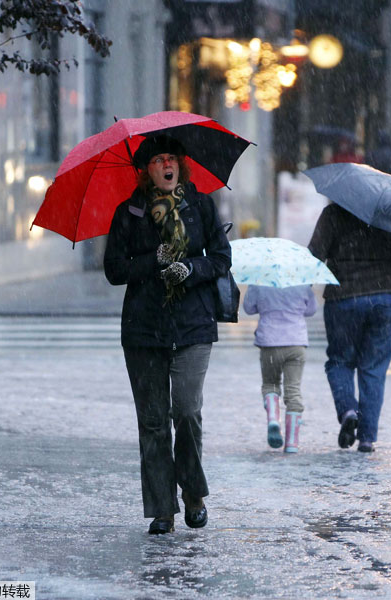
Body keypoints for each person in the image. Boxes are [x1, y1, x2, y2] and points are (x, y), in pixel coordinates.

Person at [103, 134, 232, 535]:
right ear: (146, 170)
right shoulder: (129, 212)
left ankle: (192, 492)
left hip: (193, 325)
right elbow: (114, 270)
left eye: (171, 158)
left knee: (187, 412)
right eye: (158, 160)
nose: (166, 165)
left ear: (180, 164)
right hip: (144, 329)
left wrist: (190, 269)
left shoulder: (201, 206)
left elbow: (222, 258)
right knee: (154, 422)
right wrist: (152, 261)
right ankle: (163, 509)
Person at [308, 203, 391, 453]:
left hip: (343, 297)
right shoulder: (390, 215)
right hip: (384, 297)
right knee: (373, 369)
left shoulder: (334, 213)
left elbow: (315, 255)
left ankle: (348, 410)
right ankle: (367, 437)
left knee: (340, 361)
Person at [242, 284, 318, 453]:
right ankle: (291, 444)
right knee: (293, 391)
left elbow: (248, 308)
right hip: (296, 343)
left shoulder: (259, 281)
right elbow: (311, 310)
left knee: (271, 384)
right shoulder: (302, 281)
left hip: (269, 342)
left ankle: (273, 419)